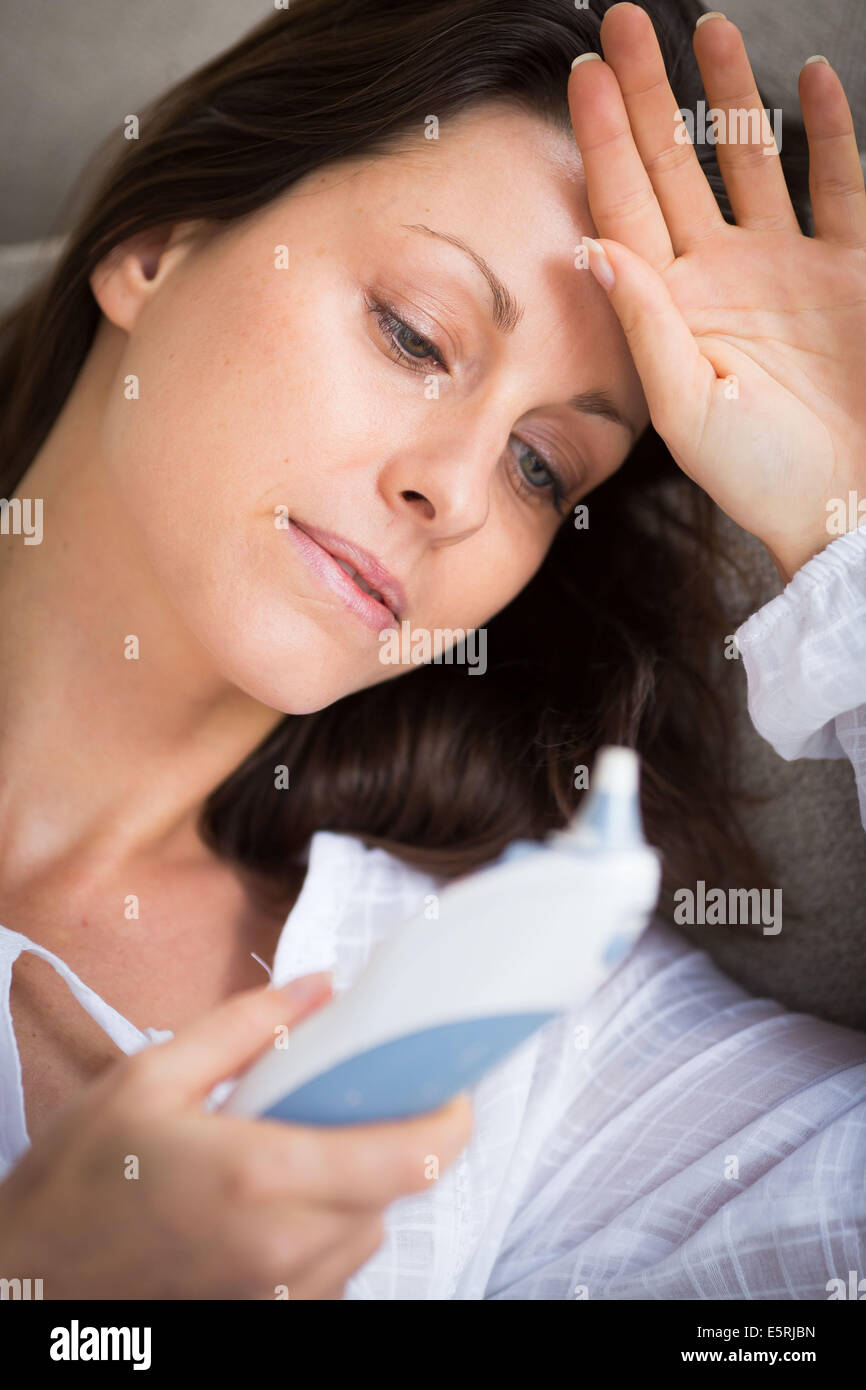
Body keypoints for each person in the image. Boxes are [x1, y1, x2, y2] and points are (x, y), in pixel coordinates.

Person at [0, 0, 864, 1299]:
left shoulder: (503, 1020)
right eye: (415, 333)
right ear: (160, 244)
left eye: (538, 465)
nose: (456, 493)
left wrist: (839, 521)